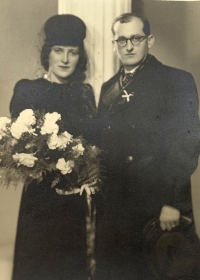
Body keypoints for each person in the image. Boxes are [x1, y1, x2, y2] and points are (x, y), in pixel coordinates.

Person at [91, 13, 200, 280]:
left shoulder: (177, 80)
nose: (128, 46)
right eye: (122, 40)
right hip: (114, 207)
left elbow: (186, 145)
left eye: (136, 38)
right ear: (115, 43)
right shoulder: (107, 88)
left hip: (157, 204)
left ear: (149, 40)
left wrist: (173, 202)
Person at [10, 14, 97, 280]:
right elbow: (19, 144)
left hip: (73, 198)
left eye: (72, 52)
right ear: (47, 52)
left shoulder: (85, 93)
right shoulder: (27, 89)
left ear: (79, 56)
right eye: (58, 51)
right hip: (40, 198)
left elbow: (93, 144)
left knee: (70, 266)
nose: (65, 59)